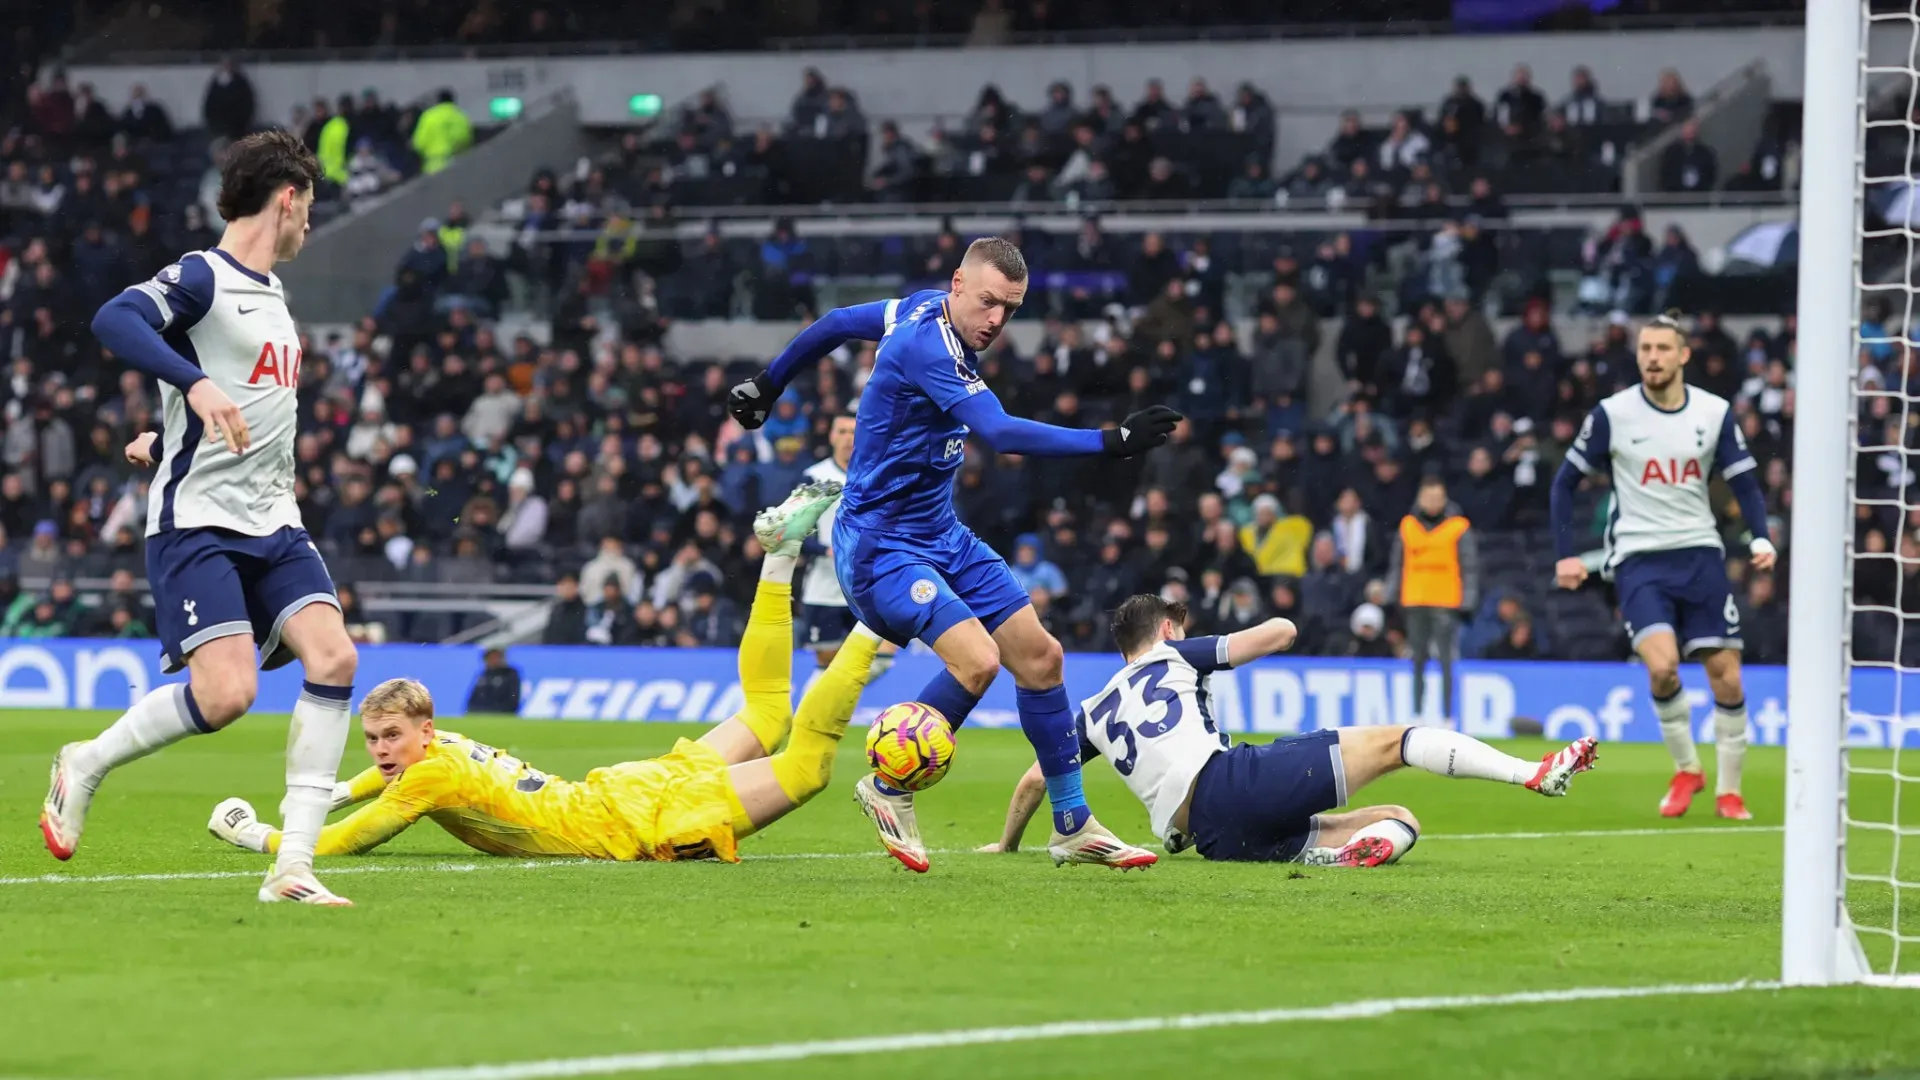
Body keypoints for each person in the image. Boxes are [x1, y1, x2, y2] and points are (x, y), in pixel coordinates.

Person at [728, 237, 1181, 873]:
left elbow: (833, 325)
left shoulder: (911, 311)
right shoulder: (928, 345)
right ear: (957, 285)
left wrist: (765, 384)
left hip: (940, 535)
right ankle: (889, 785)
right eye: (989, 302)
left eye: (1011, 309)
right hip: (882, 545)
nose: (996, 320)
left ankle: (1073, 825)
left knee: (1042, 659)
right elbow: (998, 433)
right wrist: (1112, 440)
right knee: (979, 661)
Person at [208, 484, 876, 863]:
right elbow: (376, 781)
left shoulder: (429, 777)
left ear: (423, 732)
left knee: (808, 767)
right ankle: (782, 554)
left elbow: (333, 849)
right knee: (765, 715)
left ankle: (875, 626)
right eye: (374, 738)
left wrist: (253, 832)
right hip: (623, 791)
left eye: (389, 738)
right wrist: (335, 790)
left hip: (636, 826)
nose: (381, 751)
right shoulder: (439, 749)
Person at [46, 131, 361, 906]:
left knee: (336, 658)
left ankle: (292, 869)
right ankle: (85, 761)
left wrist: (167, 430)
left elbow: (246, 399)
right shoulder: (202, 276)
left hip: (274, 517)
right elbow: (115, 318)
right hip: (199, 524)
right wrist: (192, 389)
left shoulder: (274, 296)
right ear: (287, 198)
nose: (309, 225)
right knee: (226, 697)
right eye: (310, 208)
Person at [980, 594, 1598, 867]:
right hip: (1231, 783)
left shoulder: (1092, 709)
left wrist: (1008, 845)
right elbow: (1283, 633)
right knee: (1399, 741)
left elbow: (1037, 778)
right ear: (1167, 629)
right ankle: (1532, 773)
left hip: (1213, 837)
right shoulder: (1177, 655)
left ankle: (1336, 858)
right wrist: (1202, 647)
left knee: (1401, 818)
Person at [1550, 312, 1775, 820]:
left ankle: (1729, 792)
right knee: (1663, 666)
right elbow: (1563, 482)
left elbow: (1744, 483)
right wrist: (1565, 553)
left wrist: (1760, 535)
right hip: (1639, 558)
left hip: (1700, 554)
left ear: (1683, 355)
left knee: (1728, 680)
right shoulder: (1613, 413)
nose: (1652, 357)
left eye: (1662, 349)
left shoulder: (1714, 413)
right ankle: (1687, 769)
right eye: (1645, 348)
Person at [1384, 475, 1479, 725]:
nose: (1433, 502)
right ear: (1420, 498)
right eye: (1429, 497)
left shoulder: (1458, 526)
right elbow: (1397, 564)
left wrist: (1468, 600)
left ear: (1445, 498)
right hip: (1414, 600)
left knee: (1447, 660)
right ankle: (1417, 714)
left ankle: (1448, 716)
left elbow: (1469, 566)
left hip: (1446, 601)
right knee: (1417, 658)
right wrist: (1389, 595)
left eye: (1438, 497)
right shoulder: (1408, 526)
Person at [465, 648, 522, 714]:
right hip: (480, 712)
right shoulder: (484, 674)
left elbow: (513, 698)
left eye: (497, 657)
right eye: (490, 658)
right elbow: (473, 697)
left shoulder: (510, 674)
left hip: (501, 712)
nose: (494, 661)